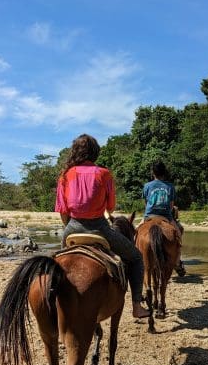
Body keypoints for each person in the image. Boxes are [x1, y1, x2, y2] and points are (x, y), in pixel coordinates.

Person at [55, 134, 150, 319]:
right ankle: (137, 306)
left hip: (72, 227)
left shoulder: (65, 175)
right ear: (95, 153)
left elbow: (63, 211)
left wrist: (71, 227)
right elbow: (110, 207)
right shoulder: (104, 173)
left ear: (75, 151)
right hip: (100, 228)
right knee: (136, 258)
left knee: (57, 265)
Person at [142, 161, 185, 275]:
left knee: (135, 233)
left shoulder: (147, 186)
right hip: (166, 216)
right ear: (164, 172)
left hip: (149, 216)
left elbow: (146, 204)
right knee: (179, 236)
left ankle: (138, 260)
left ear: (153, 172)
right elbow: (171, 206)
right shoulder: (170, 186)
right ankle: (176, 262)